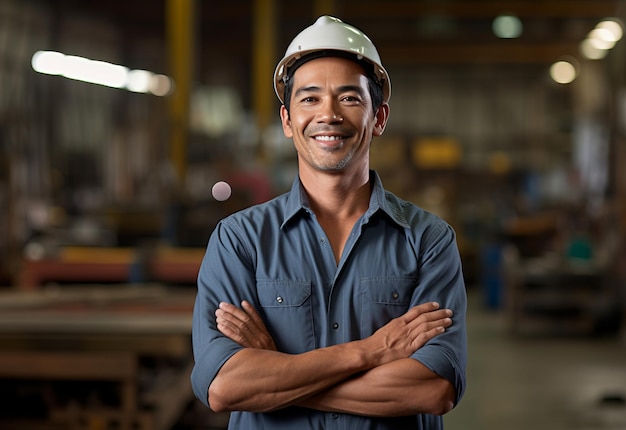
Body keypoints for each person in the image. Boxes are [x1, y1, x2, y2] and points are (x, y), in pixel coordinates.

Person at [191, 15, 467, 430]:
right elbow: (225, 387)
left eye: (350, 98)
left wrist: (279, 374)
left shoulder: (428, 240)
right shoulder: (239, 241)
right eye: (310, 98)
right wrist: (370, 352)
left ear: (379, 118)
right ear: (287, 121)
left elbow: (432, 390)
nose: (329, 114)